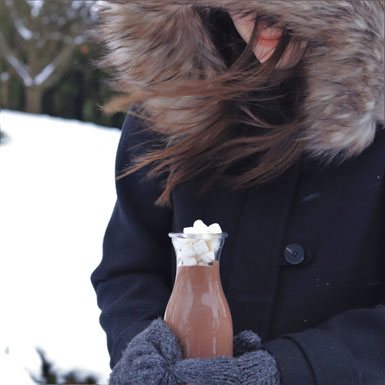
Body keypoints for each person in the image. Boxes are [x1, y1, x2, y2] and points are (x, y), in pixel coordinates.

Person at [90, 1, 385, 384]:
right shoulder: (174, 98)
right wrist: (140, 350)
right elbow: (130, 266)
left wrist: (293, 369)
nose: (258, 15)